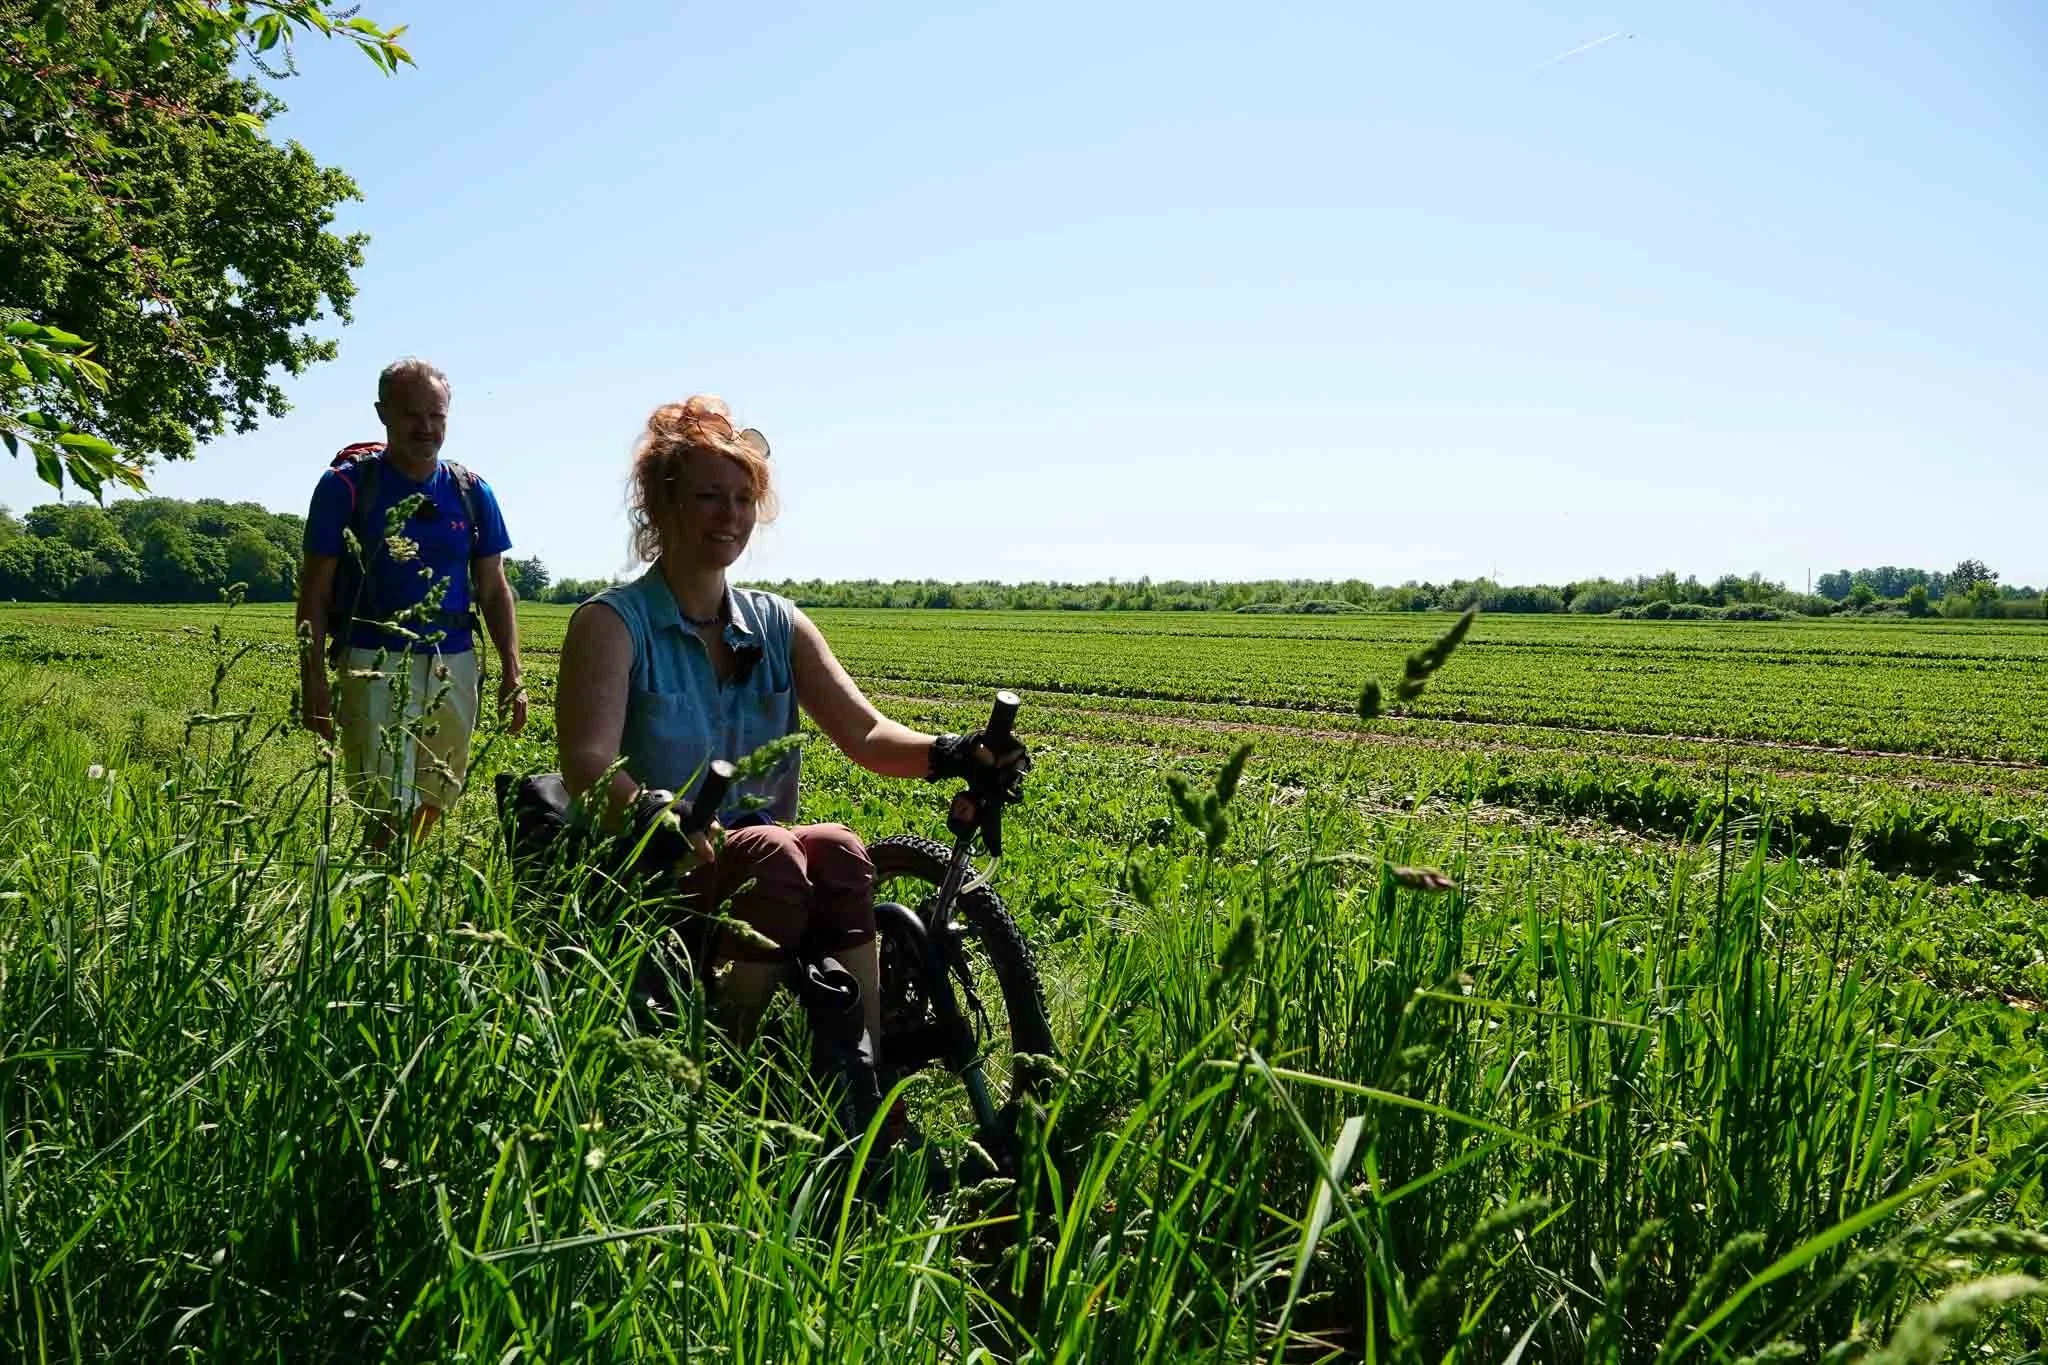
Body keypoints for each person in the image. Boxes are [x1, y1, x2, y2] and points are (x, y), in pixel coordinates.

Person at [553, 395, 1025, 1110]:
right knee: (777, 852)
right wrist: (658, 813)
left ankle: (863, 1095)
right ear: (662, 500)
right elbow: (587, 768)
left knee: (838, 846)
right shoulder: (611, 624)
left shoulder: (776, 621)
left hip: (764, 862)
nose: (731, 515)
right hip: (657, 869)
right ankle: (712, 1084)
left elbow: (865, 734)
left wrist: (955, 751)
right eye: (710, 495)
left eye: (744, 498)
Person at [297, 358, 529, 845]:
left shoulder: (471, 491)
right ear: (383, 413)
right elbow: (315, 590)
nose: (425, 428)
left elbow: (494, 587)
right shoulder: (346, 487)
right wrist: (313, 677)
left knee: (438, 789)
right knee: (383, 796)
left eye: (436, 415)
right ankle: (380, 898)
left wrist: (513, 671)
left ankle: (393, 873)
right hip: (370, 657)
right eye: (410, 414)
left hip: (454, 660)